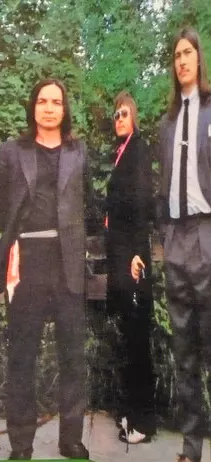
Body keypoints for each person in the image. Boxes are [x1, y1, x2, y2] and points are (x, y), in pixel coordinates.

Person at [0, 79, 91, 460]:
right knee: (22, 357)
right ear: (33, 107)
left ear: (64, 109)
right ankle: (21, 444)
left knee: (73, 356)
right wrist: (17, 235)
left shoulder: (79, 152)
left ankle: (71, 439)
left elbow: (88, 205)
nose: (48, 108)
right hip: (27, 262)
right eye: (42, 101)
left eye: (55, 102)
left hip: (68, 264)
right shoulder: (12, 151)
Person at [157, 26, 211, 462]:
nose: (182, 61)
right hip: (175, 237)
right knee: (184, 350)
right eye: (176, 55)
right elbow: (163, 186)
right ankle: (191, 448)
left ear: (199, 58)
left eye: (187, 52)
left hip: (208, 232)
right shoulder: (167, 123)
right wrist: (164, 234)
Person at [105, 91, 156, 444]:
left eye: (124, 113)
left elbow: (142, 202)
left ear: (134, 117)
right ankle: (131, 412)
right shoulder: (121, 152)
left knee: (138, 339)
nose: (119, 119)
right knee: (128, 335)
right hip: (120, 253)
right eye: (116, 115)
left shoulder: (138, 150)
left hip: (133, 257)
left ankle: (143, 423)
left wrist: (137, 254)